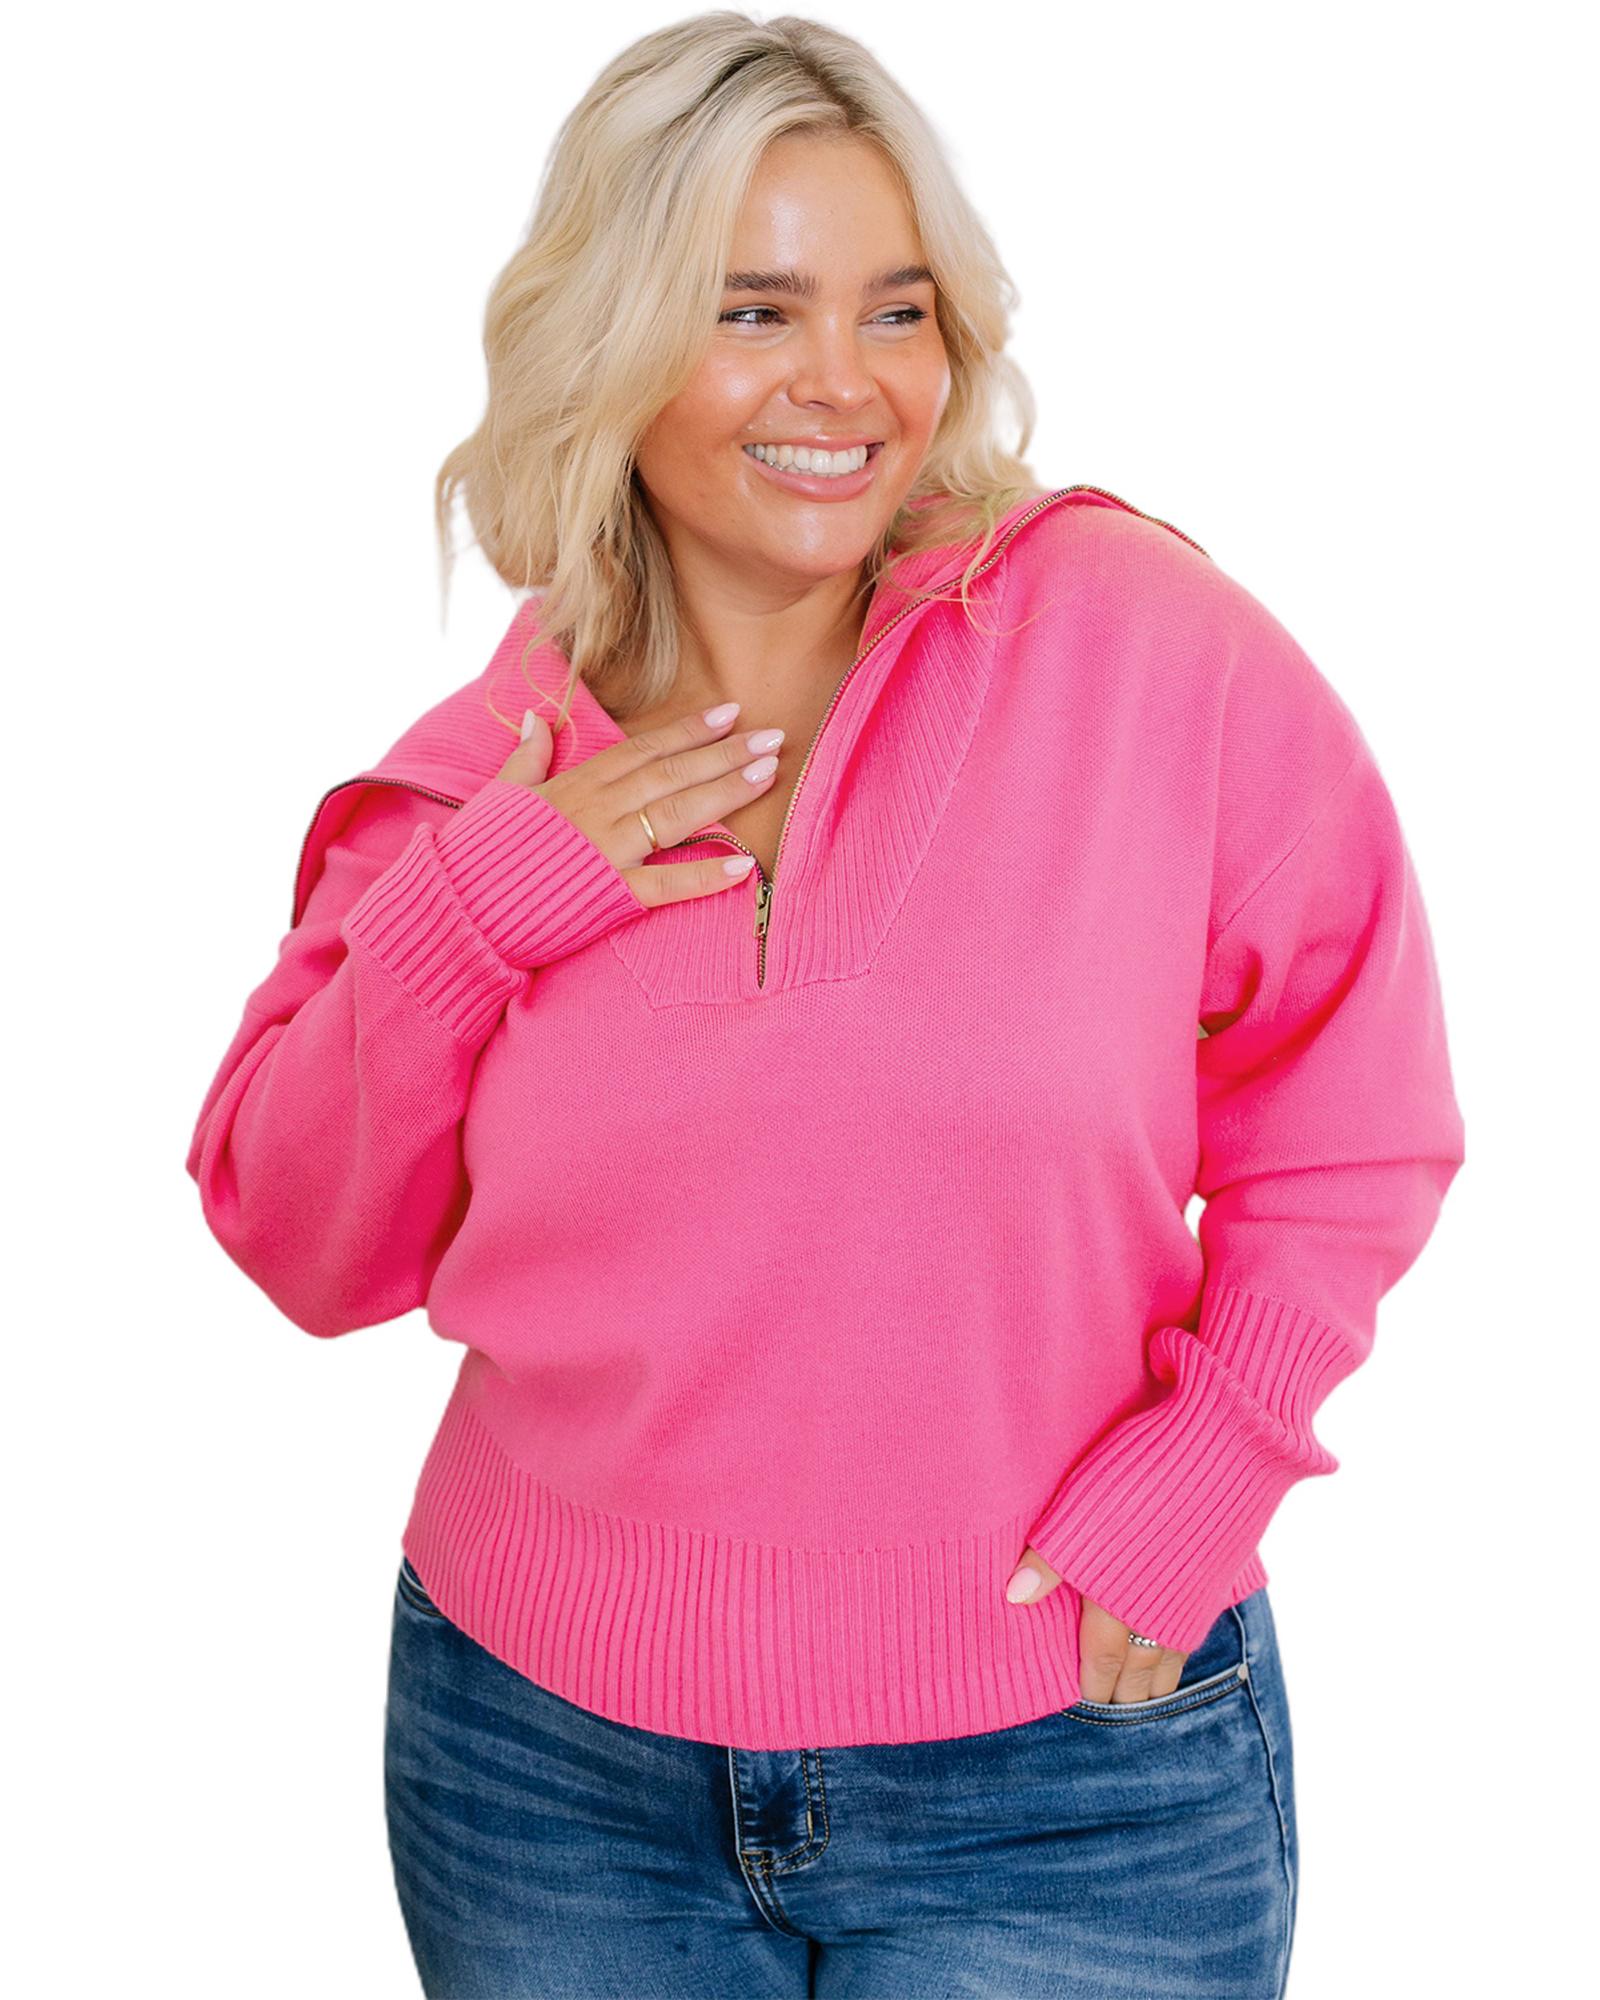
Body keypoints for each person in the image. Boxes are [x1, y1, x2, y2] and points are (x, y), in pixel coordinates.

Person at [185, 14, 1466, 1997]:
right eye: (752, 310)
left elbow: (1351, 1112)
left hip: (1074, 1774)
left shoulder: (1142, 655)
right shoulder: (481, 780)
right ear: (609, 345)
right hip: (546, 1779)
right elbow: (297, 1237)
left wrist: (1213, 1457)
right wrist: (483, 906)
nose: (843, 383)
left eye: (896, 308)